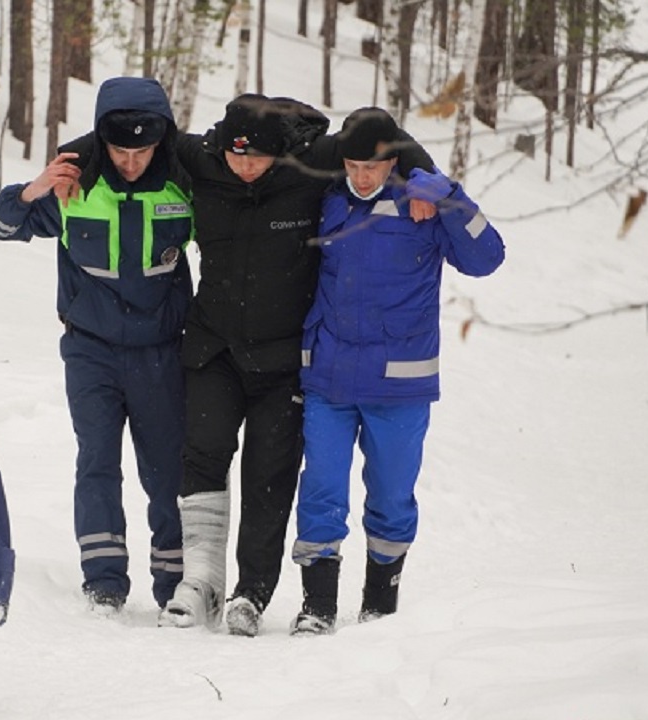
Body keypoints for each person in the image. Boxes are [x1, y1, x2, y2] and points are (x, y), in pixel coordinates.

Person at [64, 93, 435, 636]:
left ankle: (250, 592)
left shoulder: (310, 167)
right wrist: (76, 157)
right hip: (213, 348)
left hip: (284, 358)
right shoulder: (202, 160)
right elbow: (138, 133)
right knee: (203, 457)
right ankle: (202, 581)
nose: (244, 168)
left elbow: (382, 138)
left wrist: (424, 177)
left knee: (270, 474)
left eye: (256, 159)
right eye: (236, 158)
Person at [289, 107, 505, 636]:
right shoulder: (327, 202)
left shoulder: (422, 205)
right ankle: (317, 606)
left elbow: (486, 258)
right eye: (354, 165)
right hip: (329, 378)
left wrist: (450, 198)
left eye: (374, 166)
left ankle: (379, 604)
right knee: (321, 489)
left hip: (399, 385)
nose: (363, 176)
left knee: (390, 495)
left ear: (393, 161)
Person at [0, 77, 191, 615]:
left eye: (141, 151)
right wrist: (32, 188)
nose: (129, 161)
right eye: (119, 150)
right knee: (97, 462)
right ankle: (103, 580)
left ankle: (174, 585)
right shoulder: (74, 187)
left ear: (160, 143)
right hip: (90, 351)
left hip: (161, 352)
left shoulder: (183, 186)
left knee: (166, 469)